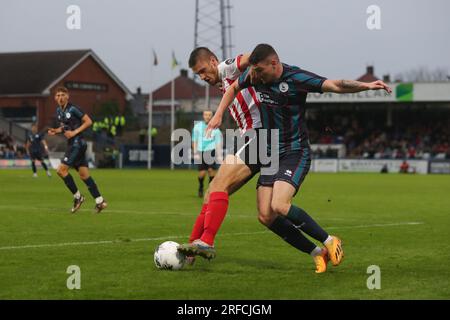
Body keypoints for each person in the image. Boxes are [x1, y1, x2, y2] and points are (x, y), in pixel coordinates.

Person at [205, 44, 392, 271]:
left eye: (261, 71)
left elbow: (335, 84)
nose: (256, 76)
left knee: (279, 205)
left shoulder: (296, 78)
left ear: (274, 64)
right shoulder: (255, 74)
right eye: (254, 71)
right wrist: (218, 115)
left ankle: (329, 240)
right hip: (270, 151)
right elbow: (233, 88)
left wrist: (366, 85)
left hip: (295, 152)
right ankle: (317, 252)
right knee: (265, 216)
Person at [178, 48, 337, 273]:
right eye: (197, 75)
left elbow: (250, 56)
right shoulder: (223, 81)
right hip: (259, 140)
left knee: (218, 185)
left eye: (203, 70)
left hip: (259, 135)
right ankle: (317, 252)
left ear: (214, 61)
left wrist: (256, 63)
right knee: (263, 214)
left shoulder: (228, 67)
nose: (202, 77)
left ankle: (206, 241)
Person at [47, 86, 107, 213]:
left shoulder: (73, 108)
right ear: (55, 98)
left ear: (68, 96)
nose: (60, 97)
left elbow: (88, 121)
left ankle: (78, 197)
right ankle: (100, 201)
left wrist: (74, 132)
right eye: (58, 95)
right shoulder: (59, 111)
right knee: (84, 175)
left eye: (63, 95)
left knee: (61, 170)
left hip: (77, 143)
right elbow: (65, 127)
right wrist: (56, 131)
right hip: (74, 144)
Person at [192, 110, 222, 197]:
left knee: (211, 171)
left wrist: (219, 155)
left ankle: (210, 190)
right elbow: (194, 140)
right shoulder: (197, 127)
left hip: (211, 151)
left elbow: (218, 143)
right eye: (206, 115)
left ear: (212, 116)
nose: (207, 116)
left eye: (209, 115)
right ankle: (201, 186)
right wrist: (195, 152)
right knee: (202, 173)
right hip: (201, 151)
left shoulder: (216, 129)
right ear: (203, 116)